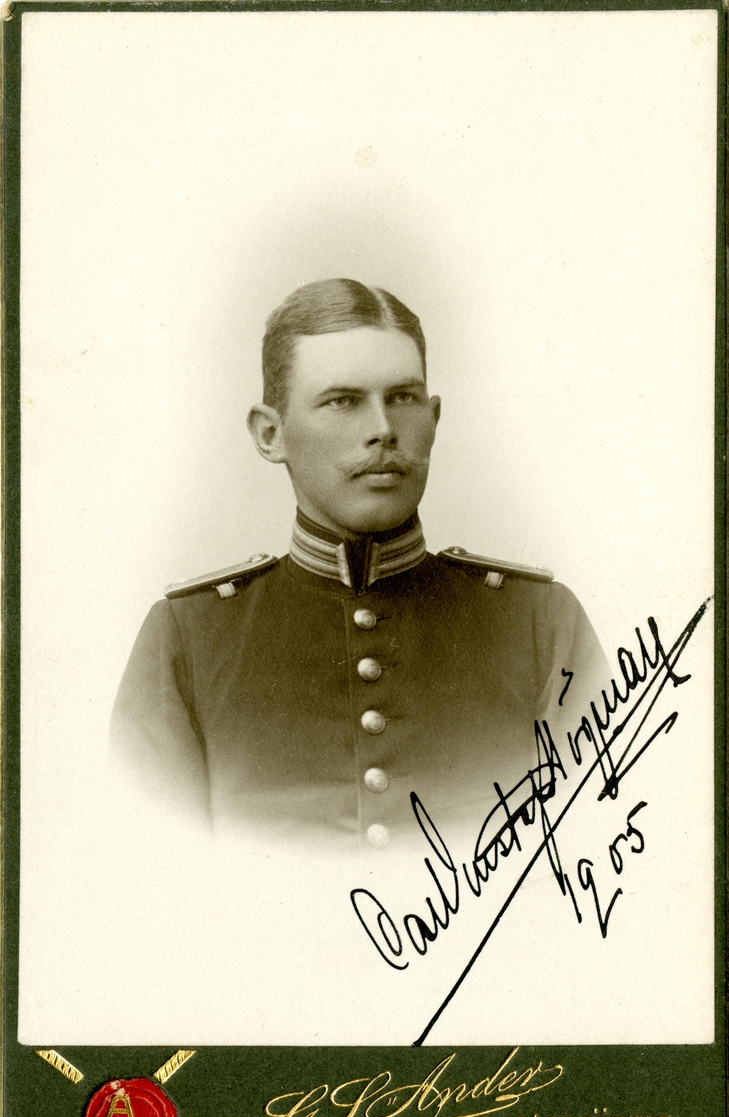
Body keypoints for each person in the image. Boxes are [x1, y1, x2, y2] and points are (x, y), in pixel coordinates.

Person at [111, 278, 608, 851]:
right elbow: (155, 877)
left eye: (403, 398)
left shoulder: (540, 623)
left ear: (434, 419)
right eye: (343, 401)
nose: (383, 430)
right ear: (271, 434)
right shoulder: (188, 637)